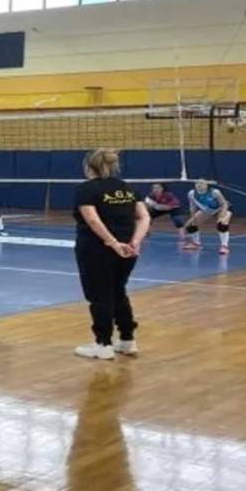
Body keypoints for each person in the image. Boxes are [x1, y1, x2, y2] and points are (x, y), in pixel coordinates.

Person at [72, 148, 150, 361]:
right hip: (128, 250)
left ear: (89, 166)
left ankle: (103, 344)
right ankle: (127, 340)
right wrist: (135, 241)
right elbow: (144, 217)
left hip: (96, 249)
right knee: (117, 291)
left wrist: (113, 243)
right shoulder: (128, 188)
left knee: (99, 295)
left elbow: (93, 220)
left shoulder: (86, 189)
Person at [183, 179, 232, 255]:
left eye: (202, 183)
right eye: (197, 183)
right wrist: (193, 217)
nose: (199, 185)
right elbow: (192, 206)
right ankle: (196, 244)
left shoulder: (215, 192)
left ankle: (224, 246)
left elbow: (224, 204)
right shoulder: (191, 194)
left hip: (221, 208)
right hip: (208, 210)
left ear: (206, 185)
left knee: (222, 224)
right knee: (191, 225)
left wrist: (222, 215)